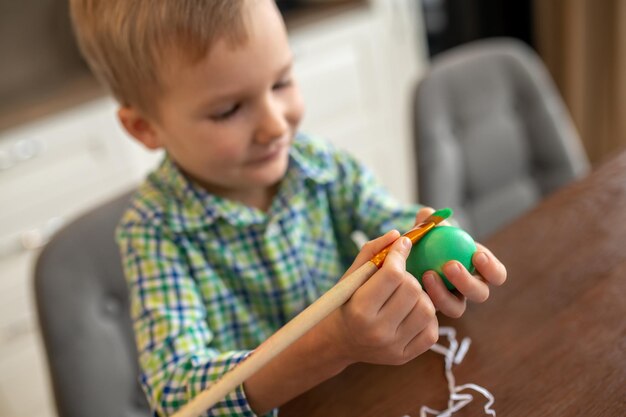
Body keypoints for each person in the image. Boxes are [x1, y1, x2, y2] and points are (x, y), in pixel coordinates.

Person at [69, 0, 507, 416]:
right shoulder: (153, 232)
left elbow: (389, 220)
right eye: (228, 110)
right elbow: (179, 396)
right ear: (145, 127)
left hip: (365, 395)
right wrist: (334, 342)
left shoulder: (315, 162)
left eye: (281, 82)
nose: (276, 124)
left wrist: (431, 253)